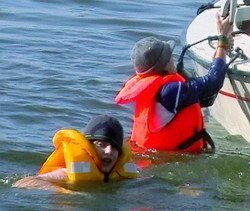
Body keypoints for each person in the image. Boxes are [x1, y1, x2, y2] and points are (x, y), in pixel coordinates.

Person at [115, 15, 233, 152]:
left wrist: (219, 52)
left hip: (150, 158)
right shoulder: (172, 91)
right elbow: (213, 82)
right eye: (170, 56)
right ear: (164, 64)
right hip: (171, 162)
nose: (173, 58)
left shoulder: (152, 88)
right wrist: (222, 40)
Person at [13, 115, 138, 192]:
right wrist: (68, 193)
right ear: (89, 147)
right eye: (102, 144)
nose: (109, 151)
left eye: (115, 147)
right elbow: (23, 183)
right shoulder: (66, 173)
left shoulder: (122, 176)